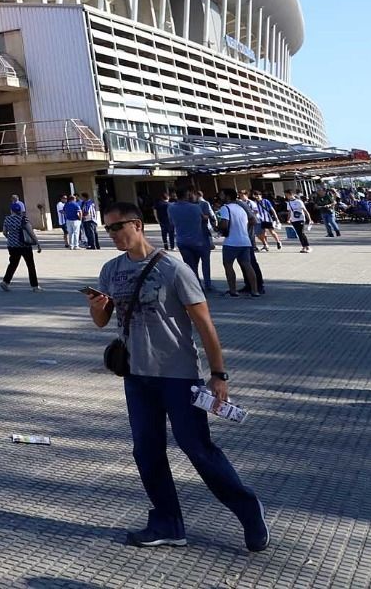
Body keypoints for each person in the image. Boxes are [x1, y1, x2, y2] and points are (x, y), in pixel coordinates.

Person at [85, 201, 269, 551]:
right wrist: (97, 309)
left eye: (116, 227)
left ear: (137, 224)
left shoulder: (173, 269)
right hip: (136, 376)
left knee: (197, 448)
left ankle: (248, 510)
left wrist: (219, 375)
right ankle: (168, 523)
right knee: (146, 451)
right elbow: (102, 321)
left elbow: (204, 325)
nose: (112, 235)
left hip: (178, 376)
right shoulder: (111, 270)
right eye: (107, 229)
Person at [166, 187, 213, 293]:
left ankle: (196, 285)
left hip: (182, 241)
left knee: (191, 266)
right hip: (199, 239)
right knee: (205, 262)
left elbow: (171, 223)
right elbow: (204, 218)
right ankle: (208, 284)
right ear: (187, 194)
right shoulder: (195, 207)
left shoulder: (171, 208)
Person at [216, 192, 261, 298]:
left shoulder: (225, 208)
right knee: (247, 265)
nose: (220, 197)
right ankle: (255, 290)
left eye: (222, 195)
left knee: (228, 265)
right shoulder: (241, 208)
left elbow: (225, 224)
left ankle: (233, 290)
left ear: (228, 197)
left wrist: (219, 228)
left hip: (231, 242)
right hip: (245, 241)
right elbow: (250, 221)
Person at [0, 202, 41, 290]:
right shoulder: (23, 219)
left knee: (13, 264)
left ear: (11, 210)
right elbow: (30, 232)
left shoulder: (7, 219)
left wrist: (10, 238)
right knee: (30, 265)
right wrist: (37, 243)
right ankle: (35, 286)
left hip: (12, 245)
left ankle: (5, 282)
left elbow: (4, 232)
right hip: (24, 246)